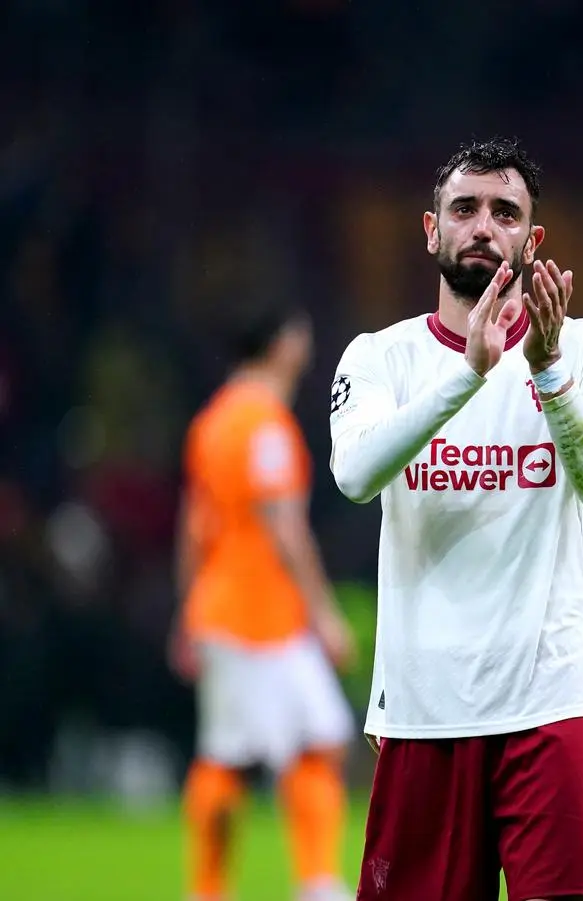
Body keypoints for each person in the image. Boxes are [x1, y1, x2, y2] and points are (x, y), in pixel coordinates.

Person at [328, 137, 583, 901]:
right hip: (427, 708)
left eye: (505, 212)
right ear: (430, 230)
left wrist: (549, 371)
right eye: (463, 208)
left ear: (532, 242)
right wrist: (469, 374)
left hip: (552, 700)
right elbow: (355, 474)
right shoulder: (379, 359)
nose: (482, 226)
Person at [170, 300, 358, 901]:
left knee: (317, 737)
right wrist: (325, 614)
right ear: (280, 344)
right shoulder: (264, 424)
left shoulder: (213, 421)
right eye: (299, 335)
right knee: (229, 758)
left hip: (227, 610)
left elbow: (193, 525)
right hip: (258, 618)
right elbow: (285, 528)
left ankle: (317, 881)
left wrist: (187, 608)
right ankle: (210, 889)